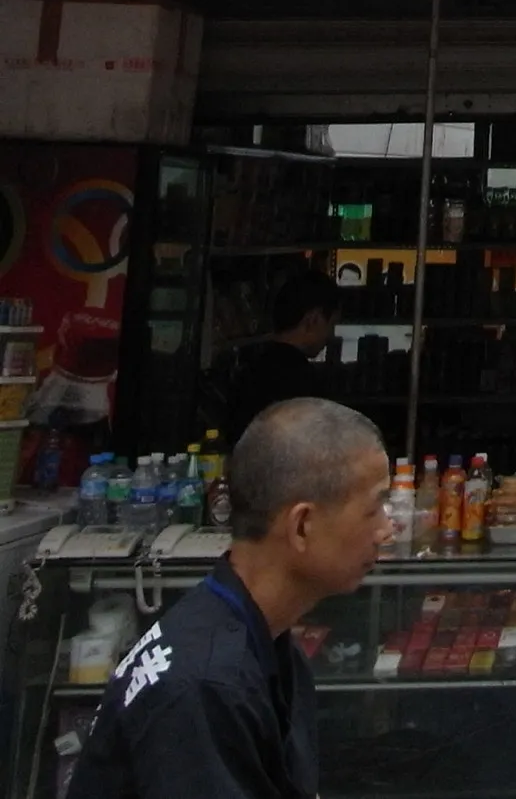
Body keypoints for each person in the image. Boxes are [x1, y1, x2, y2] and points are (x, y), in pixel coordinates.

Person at [67, 397, 392, 799]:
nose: (386, 529)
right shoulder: (203, 686)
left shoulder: (262, 644)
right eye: (375, 507)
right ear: (302, 526)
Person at [218, 271, 341, 445]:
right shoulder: (301, 378)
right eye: (331, 325)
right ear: (313, 319)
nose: (329, 336)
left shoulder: (249, 370)